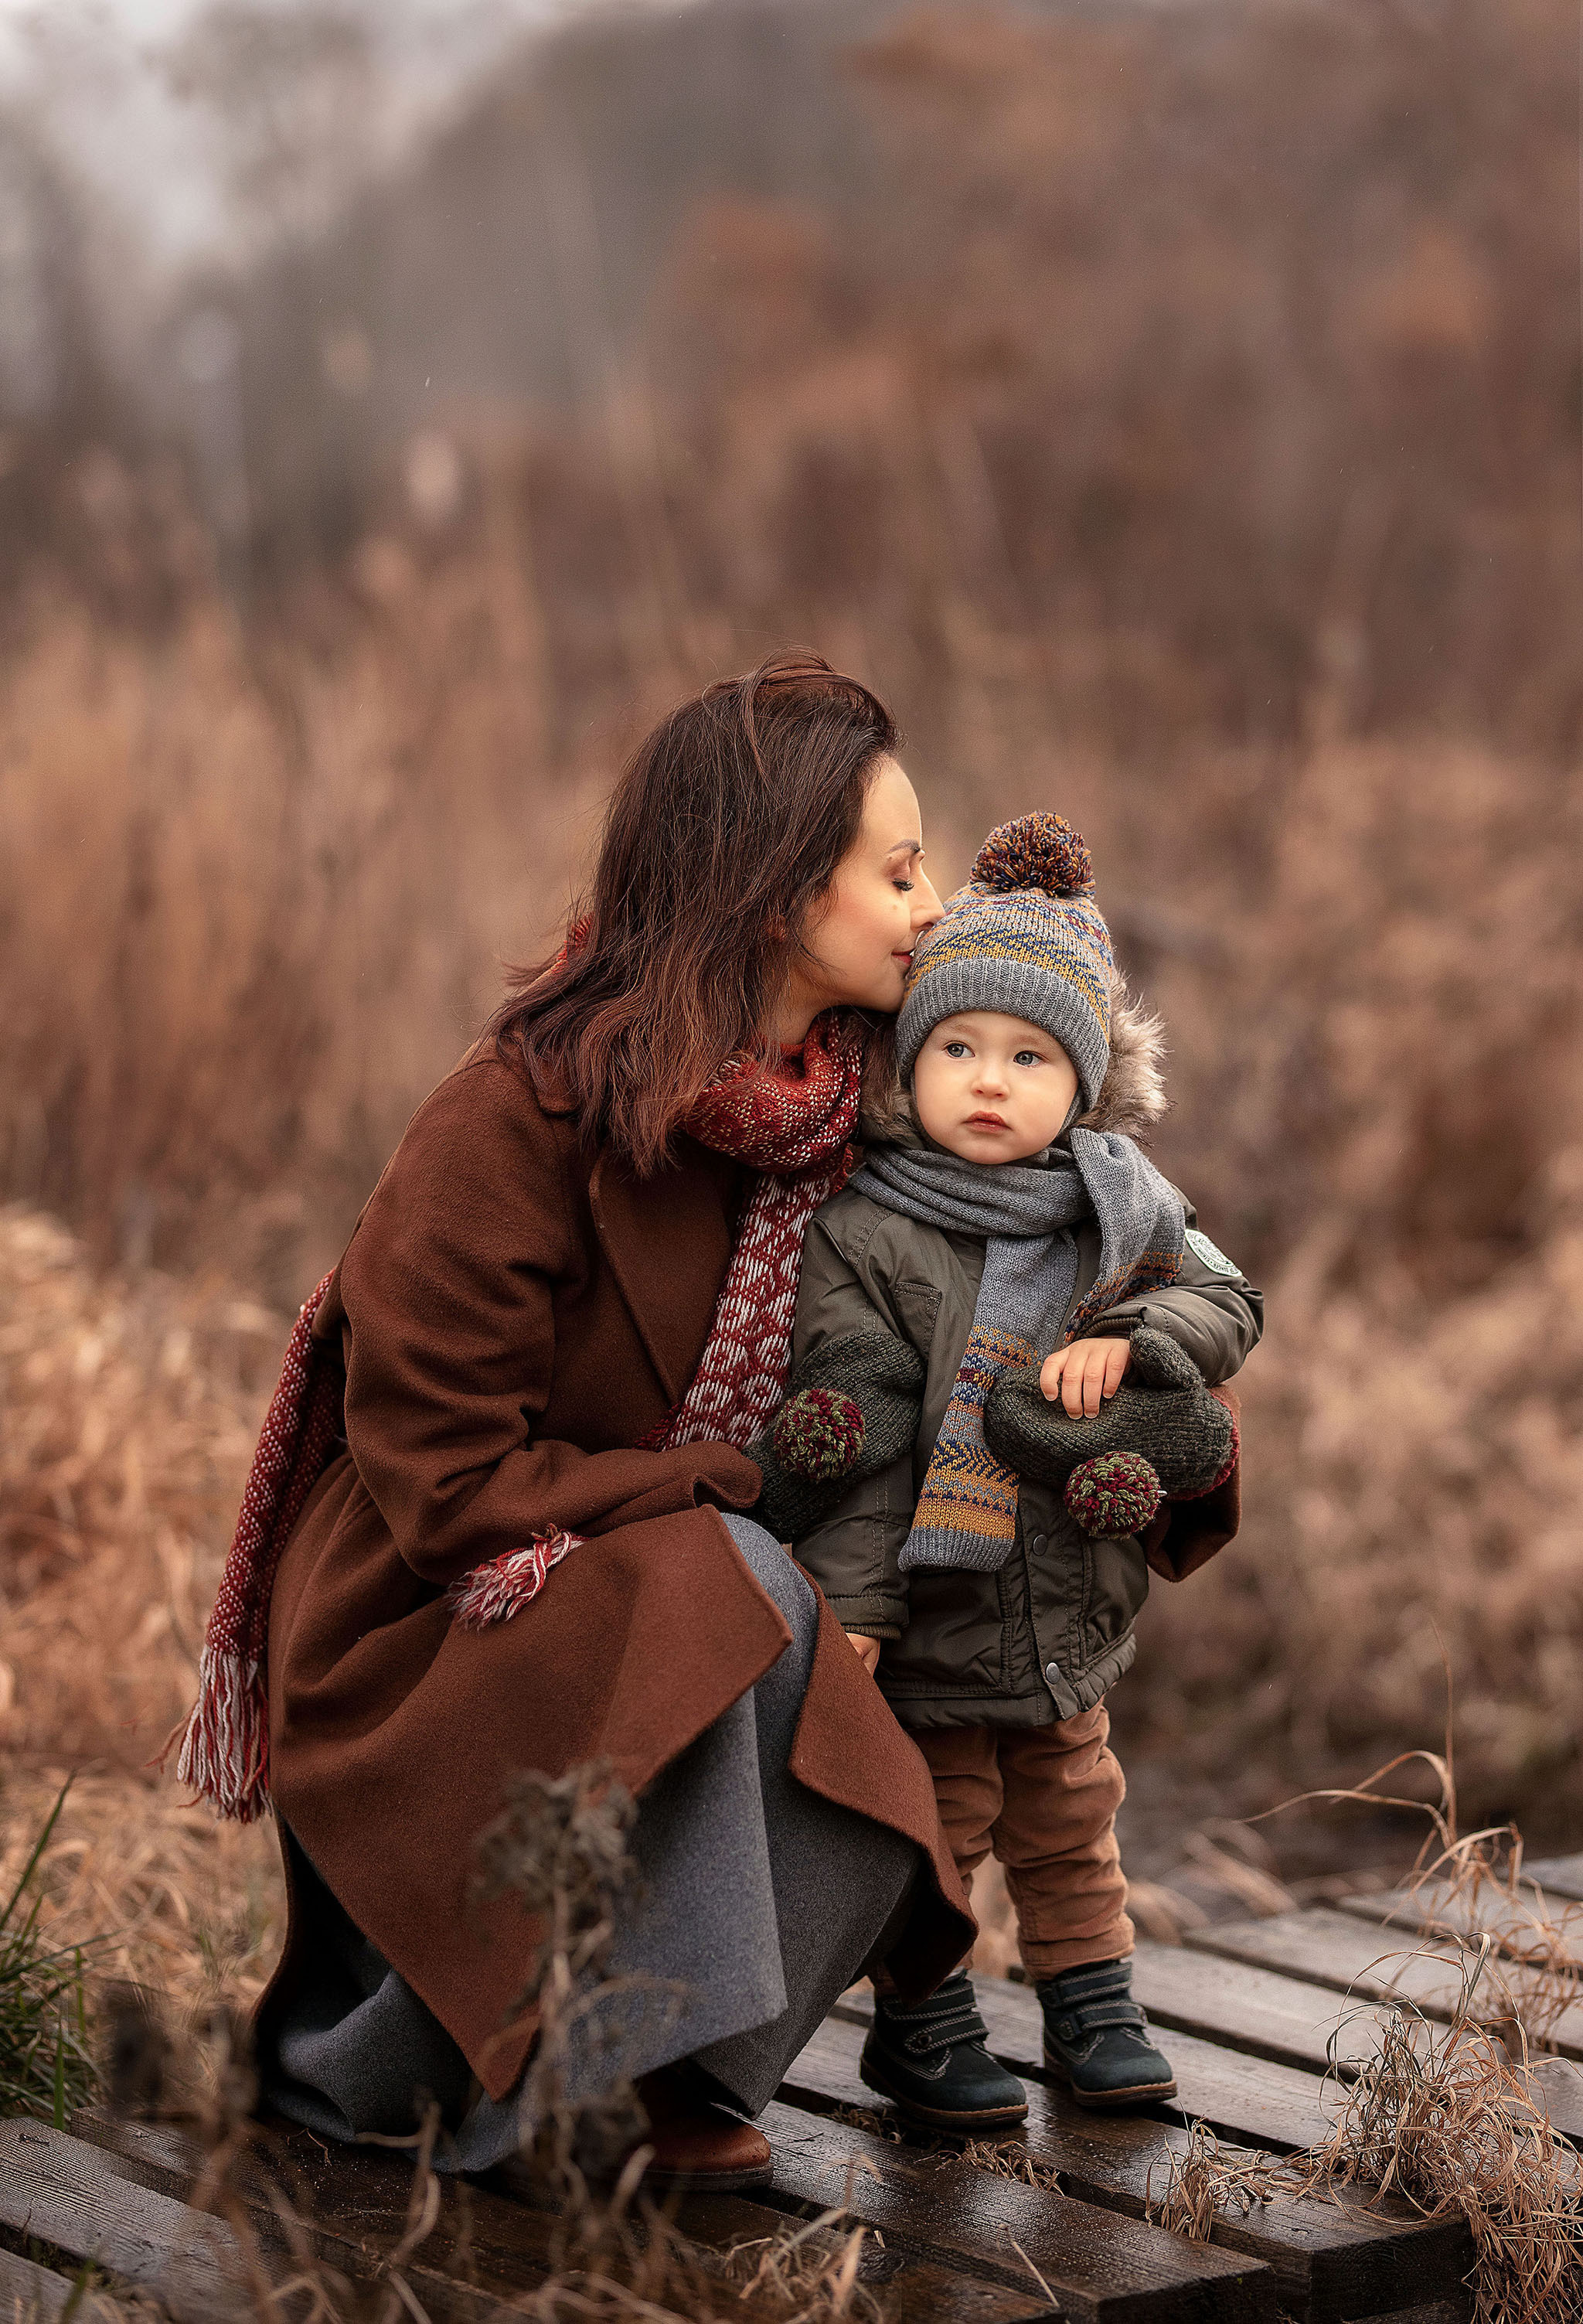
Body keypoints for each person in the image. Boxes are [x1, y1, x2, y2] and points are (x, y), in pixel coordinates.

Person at [172, 653, 976, 2190]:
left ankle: (697, 2059)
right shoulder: (516, 1115)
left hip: (655, 1579)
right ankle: (526, 2065)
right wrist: (707, 1491)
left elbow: (1026, 1255)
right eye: (894, 868)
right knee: (723, 1582)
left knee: (787, 1598)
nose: (928, 901)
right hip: (428, 1615)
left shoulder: (852, 1107)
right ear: (772, 896)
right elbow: (441, 1479)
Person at [776, 812, 1262, 2130]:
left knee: (1072, 1814)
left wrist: (1137, 1334)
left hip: (1065, 1605)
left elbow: (1227, 1302)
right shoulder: (868, 1228)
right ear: (910, 1063)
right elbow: (866, 1446)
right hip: (932, 1618)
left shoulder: (1123, 1206)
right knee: (943, 1826)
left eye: (1031, 1054)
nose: (991, 1078)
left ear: (1085, 1080)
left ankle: (1092, 2002)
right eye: (958, 1047)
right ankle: (922, 2023)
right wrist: (857, 1615)